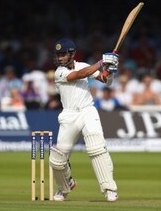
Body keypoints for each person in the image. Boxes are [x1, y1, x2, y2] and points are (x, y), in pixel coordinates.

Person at [49, 38, 119, 202]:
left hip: (88, 111)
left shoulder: (83, 65)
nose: (60, 58)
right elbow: (79, 75)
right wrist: (102, 61)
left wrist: (110, 70)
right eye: (58, 54)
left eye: (64, 54)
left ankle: (109, 189)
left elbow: (104, 80)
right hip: (69, 115)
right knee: (58, 159)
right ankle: (65, 186)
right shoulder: (59, 72)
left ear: (72, 54)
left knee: (96, 148)